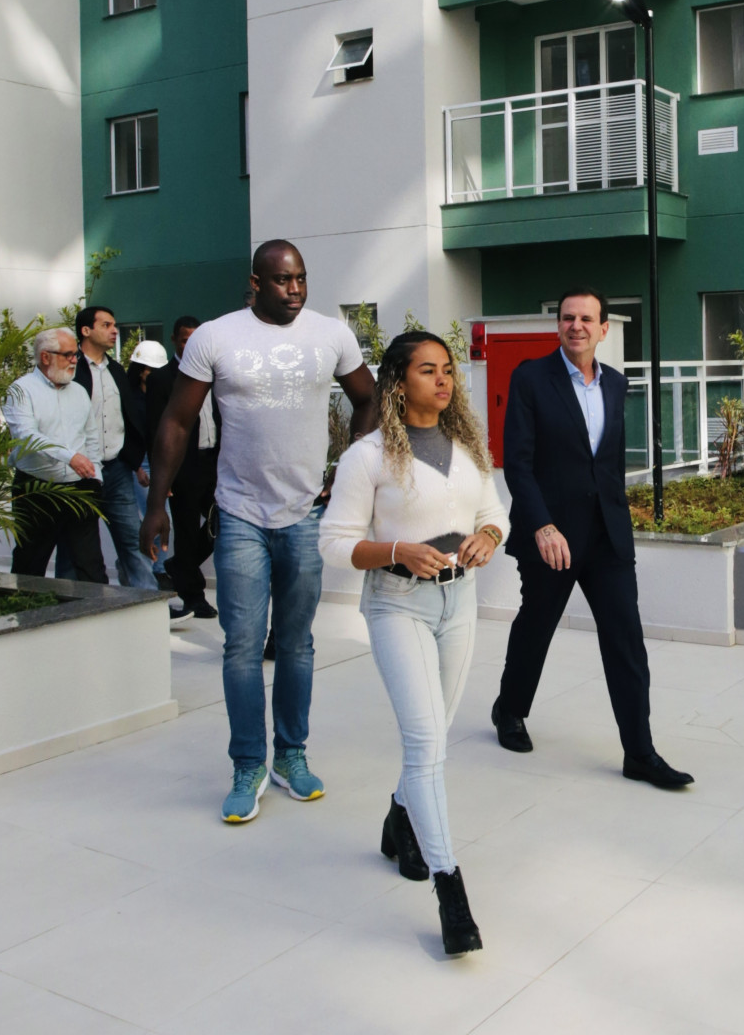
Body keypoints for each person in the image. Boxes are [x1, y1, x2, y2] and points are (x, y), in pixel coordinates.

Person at [141, 240, 376, 822]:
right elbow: (177, 420)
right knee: (242, 646)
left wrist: (346, 469)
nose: (294, 290)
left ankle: (290, 756)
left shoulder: (332, 335)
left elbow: (369, 400)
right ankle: (248, 764)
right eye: (281, 281)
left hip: (306, 514)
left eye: (300, 279)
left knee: (296, 645)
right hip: (240, 513)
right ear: (255, 283)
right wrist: (156, 504)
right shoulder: (216, 337)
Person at [320, 330, 507, 957]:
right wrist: (397, 550)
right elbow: (334, 543)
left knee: (436, 736)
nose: (444, 379)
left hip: (460, 603)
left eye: (447, 368)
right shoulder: (367, 457)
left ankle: (399, 817)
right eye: (428, 370)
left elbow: (495, 513)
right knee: (425, 742)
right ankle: (450, 889)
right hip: (397, 604)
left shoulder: (468, 446)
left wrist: (489, 537)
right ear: (398, 383)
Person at [493, 288, 693, 792]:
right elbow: (517, 463)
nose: (576, 326)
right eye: (567, 318)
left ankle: (640, 753)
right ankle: (509, 709)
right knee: (536, 627)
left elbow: (606, 462)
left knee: (626, 639)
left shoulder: (616, 384)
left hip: (607, 537)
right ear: (558, 325)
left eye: (586, 318)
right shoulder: (530, 378)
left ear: (604, 328)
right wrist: (541, 525)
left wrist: (620, 519)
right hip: (552, 537)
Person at [5, 327, 106, 584]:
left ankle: (98, 609)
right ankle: (25, 608)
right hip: (37, 489)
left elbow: (91, 438)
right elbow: (26, 436)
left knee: (91, 566)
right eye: (68, 355)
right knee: (30, 563)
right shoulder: (21, 390)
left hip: (80, 487)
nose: (74, 360)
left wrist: (96, 477)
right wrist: (69, 456)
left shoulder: (79, 391)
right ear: (45, 356)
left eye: (75, 355)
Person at [70, 306, 156, 590]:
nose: (114, 331)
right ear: (86, 330)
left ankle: (147, 599)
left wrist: (135, 463)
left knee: (132, 537)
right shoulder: (72, 370)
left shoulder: (116, 370)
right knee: (76, 543)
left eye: (114, 325)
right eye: (106, 325)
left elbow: (128, 419)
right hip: (80, 471)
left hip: (117, 468)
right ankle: (72, 601)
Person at [148, 317, 220, 621]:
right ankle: (193, 597)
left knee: (222, 521)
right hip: (183, 466)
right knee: (188, 531)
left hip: (214, 462)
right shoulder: (162, 379)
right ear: (174, 341)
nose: (190, 345)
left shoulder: (216, 375)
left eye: (195, 339)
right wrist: (162, 477)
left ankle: (179, 566)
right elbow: (156, 430)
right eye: (184, 340)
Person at [127, 339, 172, 590]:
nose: (152, 375)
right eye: (148, 370)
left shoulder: (164, 395)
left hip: (161, 461)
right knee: (149, 518)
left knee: (164, 519)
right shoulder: (130, 397)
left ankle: (157, 571)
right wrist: (137, 467)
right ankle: (152, 573)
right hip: (141, 462)